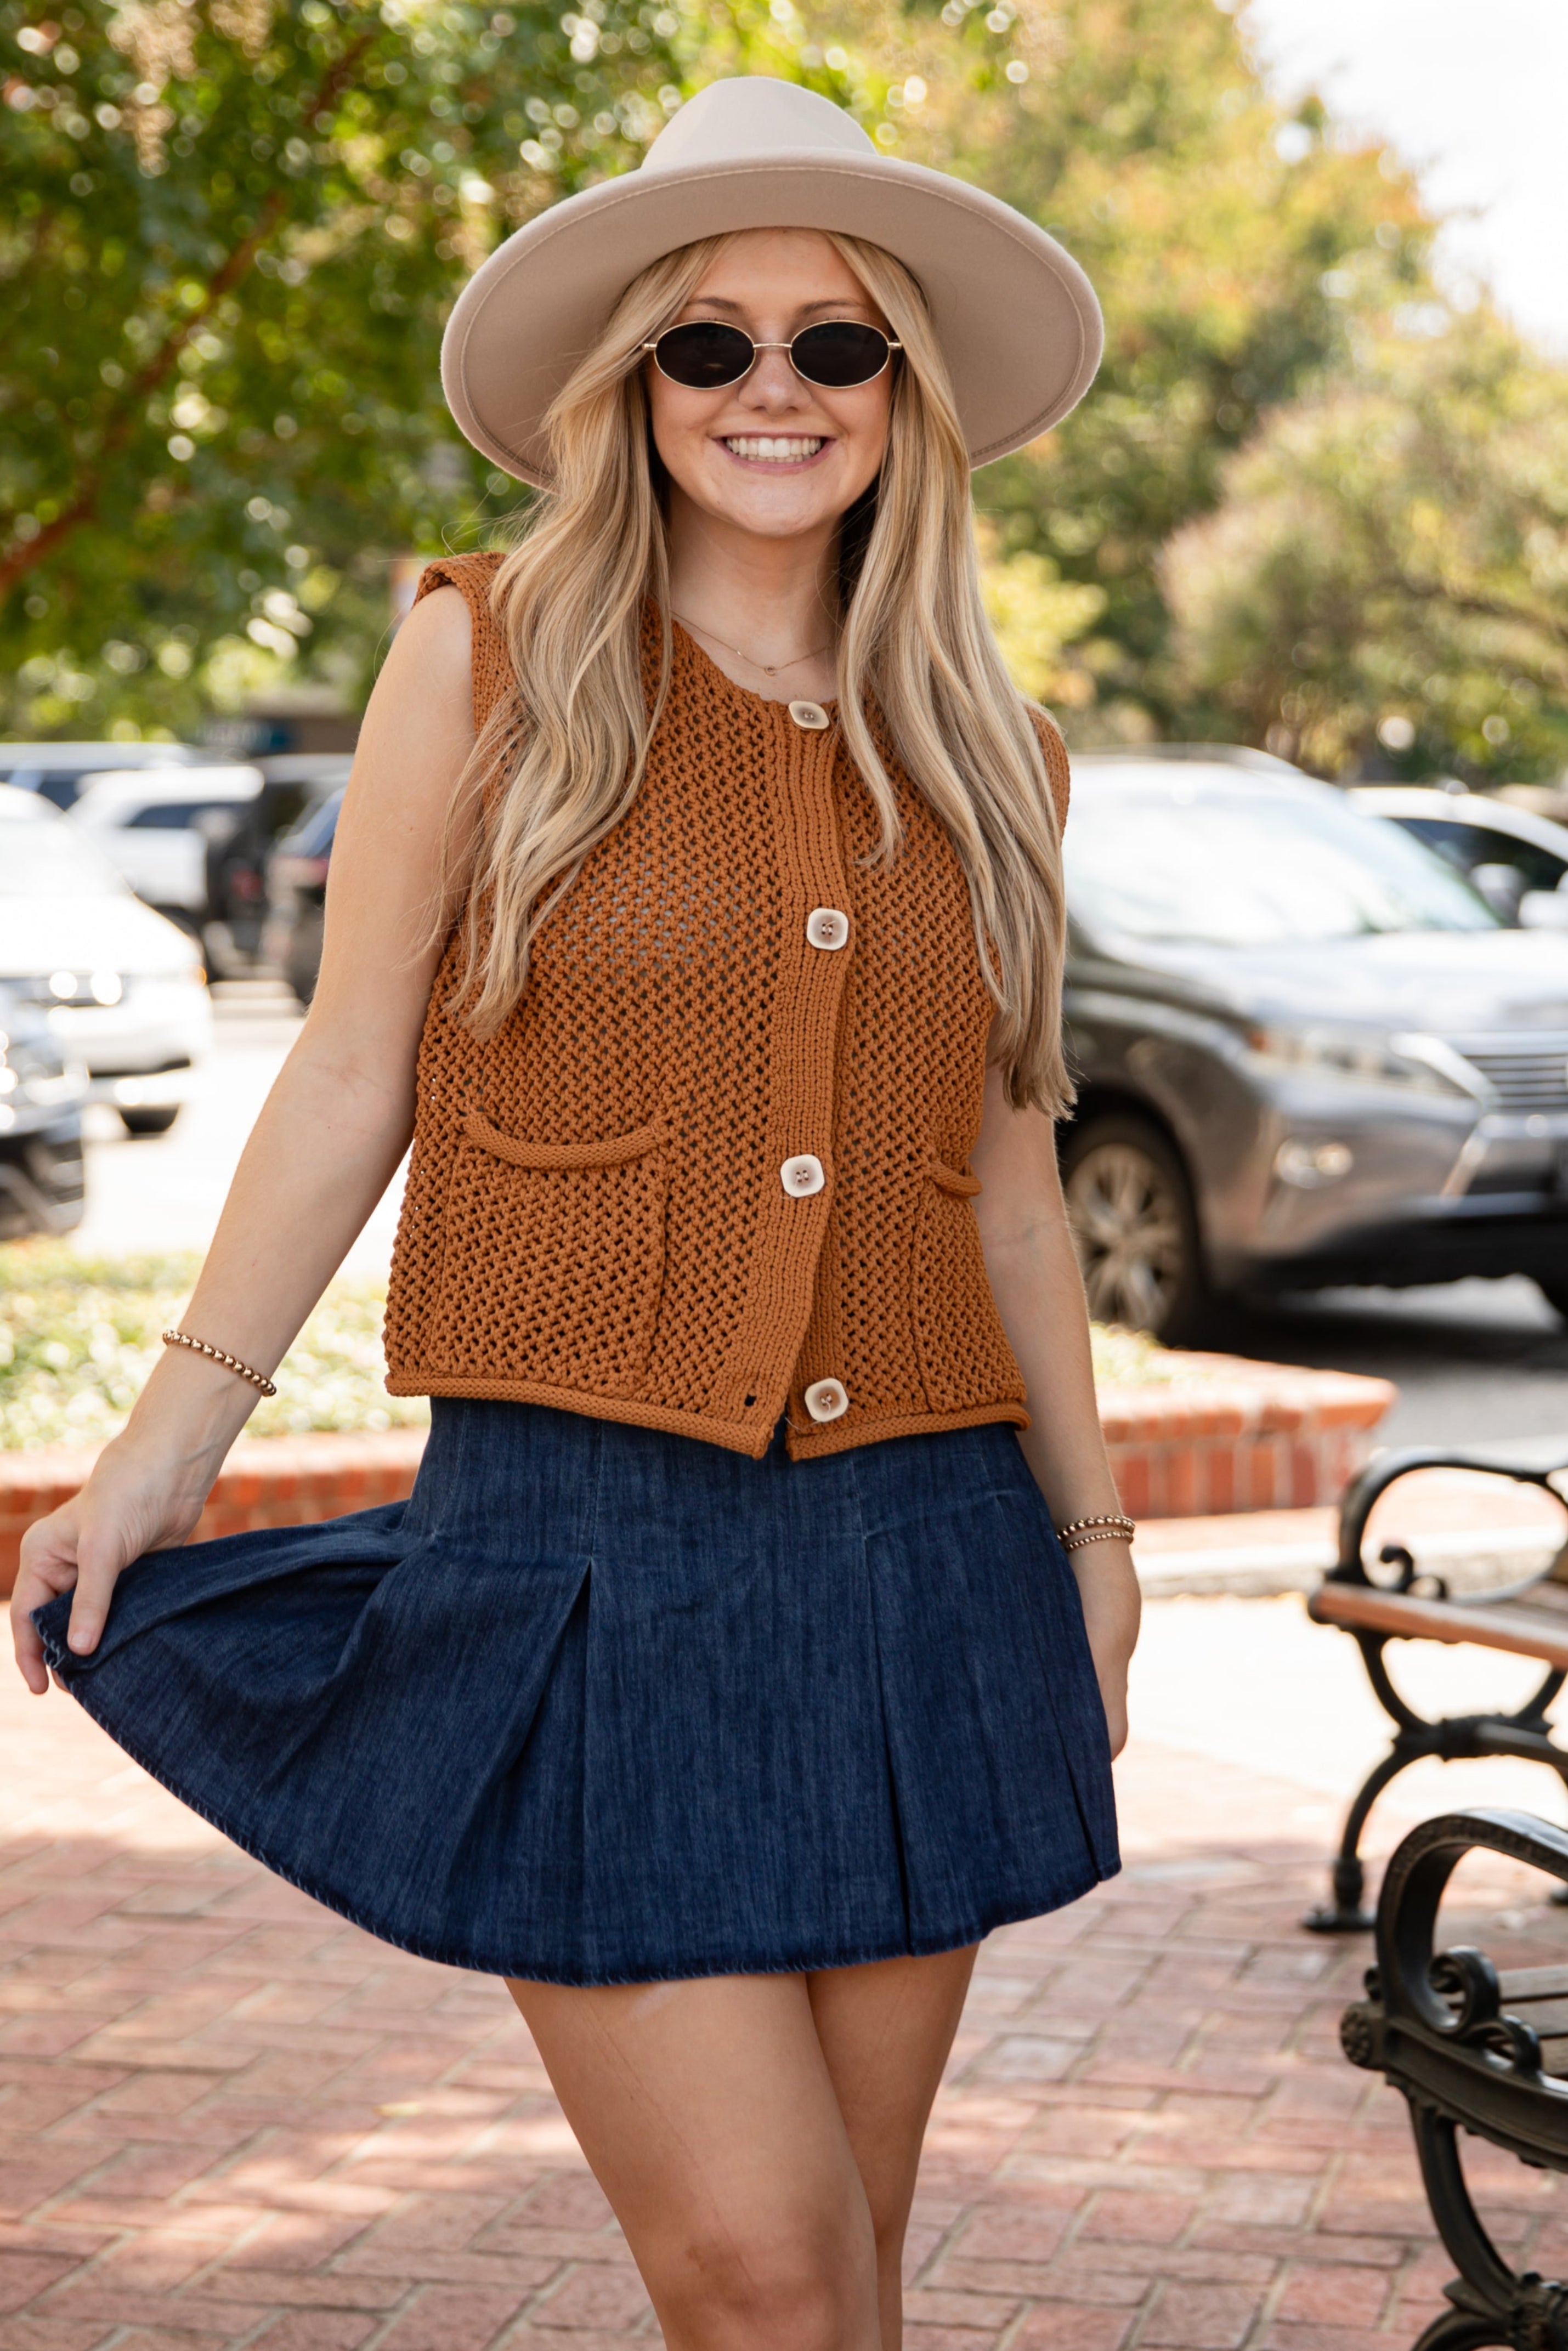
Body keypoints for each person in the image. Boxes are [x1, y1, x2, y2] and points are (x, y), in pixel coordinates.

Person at [14, 76, 1140, 2351]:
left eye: (838, 346)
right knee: (763, 2278)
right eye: (706, 343)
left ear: (904, 395)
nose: (771, 391)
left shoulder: (995, 754)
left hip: (928, 1560)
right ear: (628, 383)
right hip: (590, 1553)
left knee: (848, 2285)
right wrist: (163, 1454)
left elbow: (1005, 1183)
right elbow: (350, 1074)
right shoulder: (491, 658)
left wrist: (1096, 1545)